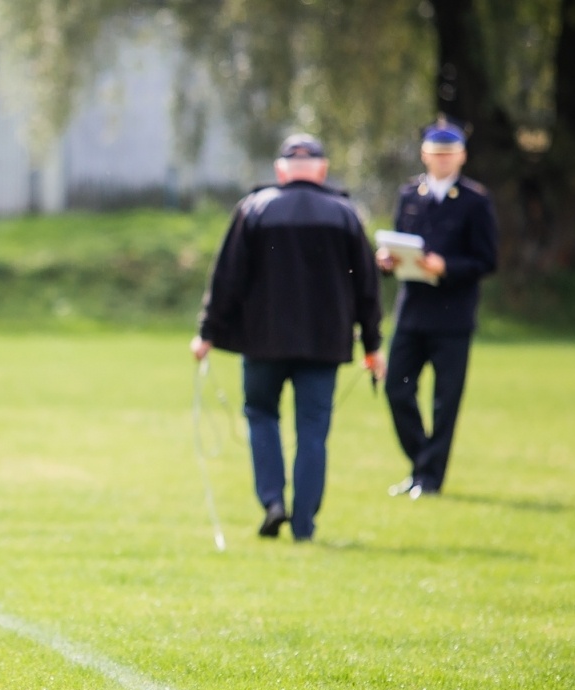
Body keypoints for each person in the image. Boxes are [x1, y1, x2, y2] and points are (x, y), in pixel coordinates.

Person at [191, 134, 382, 542]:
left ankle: (272, 500)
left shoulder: (254, 208)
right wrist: (373, 345)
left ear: (281, 171)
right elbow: (367, 286)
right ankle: (304, 524)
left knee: (262, 415)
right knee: (313, 430)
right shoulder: (346, 215)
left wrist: (207, 332)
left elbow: (226, 277)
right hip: (325, 342)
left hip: (264, 340)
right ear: (321, 170)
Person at [376, 120, 499, 499]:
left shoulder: (476, 201)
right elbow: (401, 240)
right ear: (424, 155)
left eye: (450, 153)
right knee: (397, 389)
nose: (442, 160)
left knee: (445, 402)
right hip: (412, 311)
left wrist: (446, 267)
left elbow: (486, 260)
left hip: (452, 315)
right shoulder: (410, 195)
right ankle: (422, 463)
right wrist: (388, 261)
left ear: (461, 156)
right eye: (436, 153)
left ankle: (429, 479)